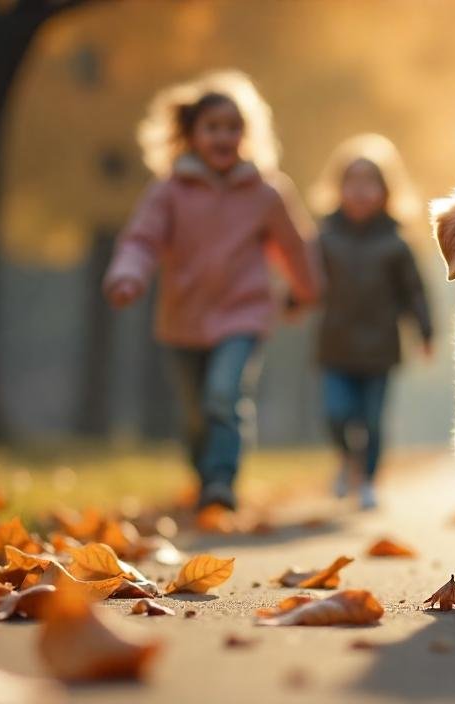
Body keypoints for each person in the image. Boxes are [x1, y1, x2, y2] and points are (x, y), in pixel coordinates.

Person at [104, 70, 317, 513]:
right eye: (212, 127)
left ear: (246, 134)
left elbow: (294, 246)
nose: (223, 136)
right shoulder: (169, 191)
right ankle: (204, 476)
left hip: (243, 314)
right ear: (192, 134)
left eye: (232, 127)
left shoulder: (265, 191)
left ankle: (221, 481)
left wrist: (306, 290)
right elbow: (143, 240)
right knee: (196, 411)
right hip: (183, 317)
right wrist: (129, 275)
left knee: (223, 395)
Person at [307, 134, 433, 510]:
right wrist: (292, 300)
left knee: (373, 421)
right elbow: (307, 279)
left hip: (380, 348)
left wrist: (425, 331)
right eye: (352, 182)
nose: (361, 191)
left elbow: (415, 292)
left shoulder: (396, 243)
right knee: (336, 414)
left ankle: (369, 483)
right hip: (336, 345)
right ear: (338, 188)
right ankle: (347, 460)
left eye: (370, 183)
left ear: (385, 191)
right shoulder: (324, 238)